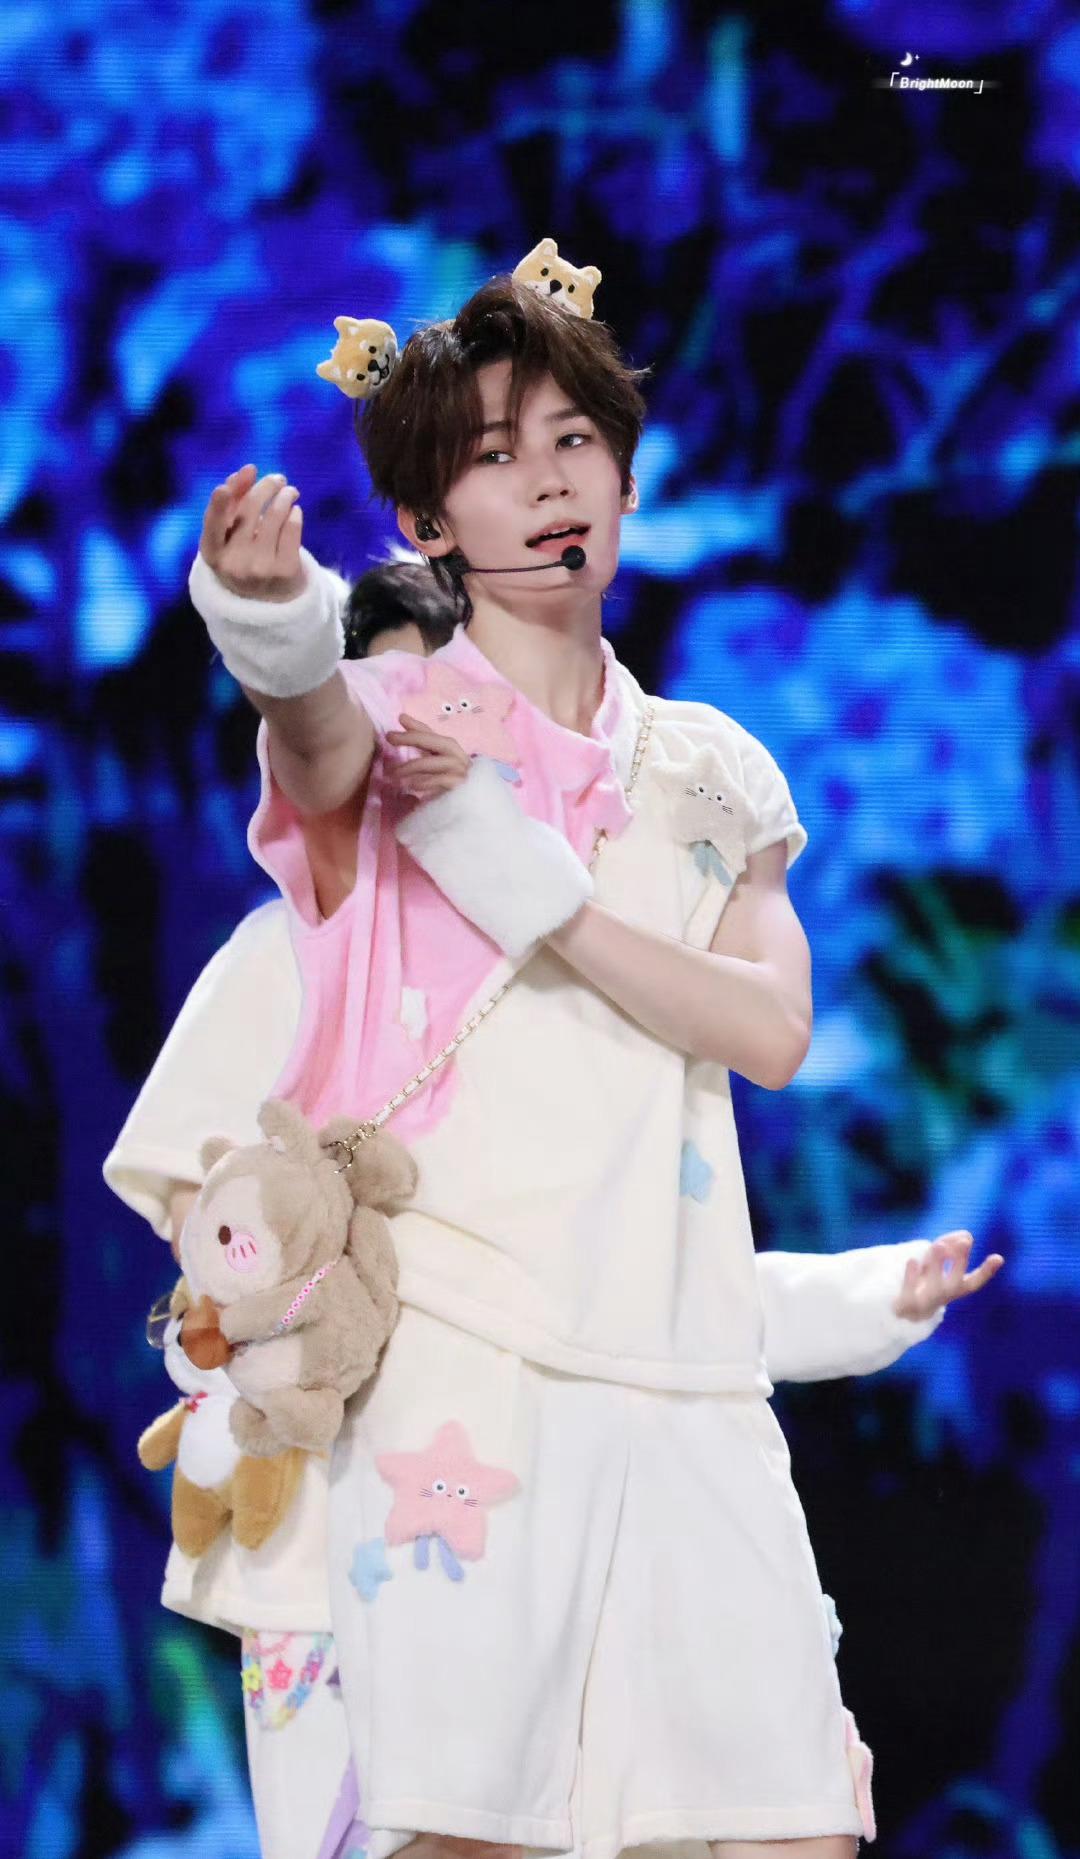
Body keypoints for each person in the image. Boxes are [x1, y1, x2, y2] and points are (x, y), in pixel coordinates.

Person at [120, 274, 1001, 1859]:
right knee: (468, 1833)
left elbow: (772, 1032)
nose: (547, 480)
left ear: (629, 478)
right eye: (494, 455)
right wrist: (270, 621)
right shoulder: (397, 724)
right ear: (429, 522)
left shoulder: (716, 770)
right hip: (468, 1375)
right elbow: (311, 734)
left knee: (790, 1827)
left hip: (683, 1385)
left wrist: (541, 891)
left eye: (575, 440)